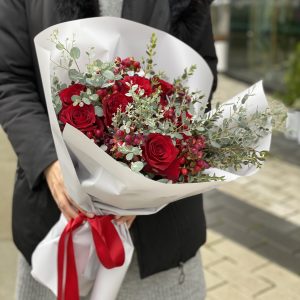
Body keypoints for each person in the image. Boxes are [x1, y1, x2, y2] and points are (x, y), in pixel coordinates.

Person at [0, 0, 218, 299]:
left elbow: (199, 76)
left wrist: (146, 182)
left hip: (159, 242)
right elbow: (11, 80)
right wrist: (50, 160)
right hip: (59, 226)